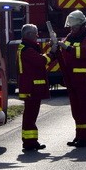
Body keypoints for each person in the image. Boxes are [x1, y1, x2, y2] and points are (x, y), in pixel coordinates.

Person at [57, 9, 86, 147]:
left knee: (84, 110)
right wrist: (57, 45)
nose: (72, 28)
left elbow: (82, 53)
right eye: (71, 26)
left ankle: (84, 139)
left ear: (81, 25)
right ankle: (78, 135)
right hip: (73, 80)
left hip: (85, 80)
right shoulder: (70, 37)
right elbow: (65, 47)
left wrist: (65, 47)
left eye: (74, 26)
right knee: (76, 110)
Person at [17, 23, 53, 152]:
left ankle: (31, 141)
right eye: (35, 33)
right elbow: (40, 61)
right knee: (30, 116)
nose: (37, 36)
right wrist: (52, 54)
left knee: (31, 116)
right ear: (29, 35)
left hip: (31, 87)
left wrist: (48, 47)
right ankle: (29, 142)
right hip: (31, 88)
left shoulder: (28, 47)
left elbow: (38, 55)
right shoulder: (27, 49)